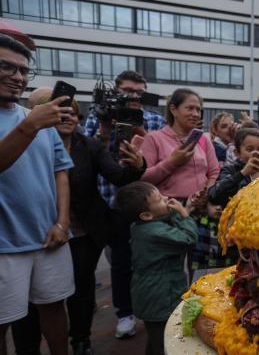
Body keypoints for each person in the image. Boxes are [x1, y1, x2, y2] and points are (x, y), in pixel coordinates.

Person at [11, 88, 146, 354]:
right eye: (62, 111)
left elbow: (119, 177)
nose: (69, 117)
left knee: (81, 291)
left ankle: (81, 341)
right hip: (33, 232)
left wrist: (136, 164)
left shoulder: (90, 146)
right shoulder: (21, 144)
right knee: (29, 300)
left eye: (73, 112)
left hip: (84, 231)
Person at [0, 35, 74, 355]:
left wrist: (62, 221)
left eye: (23, 71)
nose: (17, 77)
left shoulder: (39, 121)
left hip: (49, 238)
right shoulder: (34, 121)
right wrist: (30, 126)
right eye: (6, 67)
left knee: (56, 312)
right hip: (4, 246)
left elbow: (61, 171)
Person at [83, 70, 166, 339]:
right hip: (112, 200)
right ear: (116, 90)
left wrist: (143, 135)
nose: (134, 97)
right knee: (120, 263)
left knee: (151, 260)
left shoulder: (155, 119)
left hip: (149, 201)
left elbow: (161, 159)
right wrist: (107, 132)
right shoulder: (99, 117)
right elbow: (86, 154)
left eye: (139, 93)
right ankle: (124, 314)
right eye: (128, 91)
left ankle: (153, 309)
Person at [116, 182, 198, 355]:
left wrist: (187, 207)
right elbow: (189, 238)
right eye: (160, 199)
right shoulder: (154, 233)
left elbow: (161, 221)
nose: (167, 199)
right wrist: (183, 215)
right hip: (161, 295)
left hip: (150, 294)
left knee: (156, 339)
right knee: (166, 341)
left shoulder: (140, 226)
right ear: (145, 215)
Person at [140, 88, 220, 203]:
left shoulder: (203, 139)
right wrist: (172, 162)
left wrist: (206, 192)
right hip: (168, 210)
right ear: (173, 110)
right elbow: (143, 179)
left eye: (198, 110)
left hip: (200, 208)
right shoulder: (154, 139)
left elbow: (214, 172)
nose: (196, 114)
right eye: (190, 108)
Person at [208, 128, 259, 209]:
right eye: (249, 149)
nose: (256, 153)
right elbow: (213, 196)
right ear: (237, 153)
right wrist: (242, 174)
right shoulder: (230, 170)